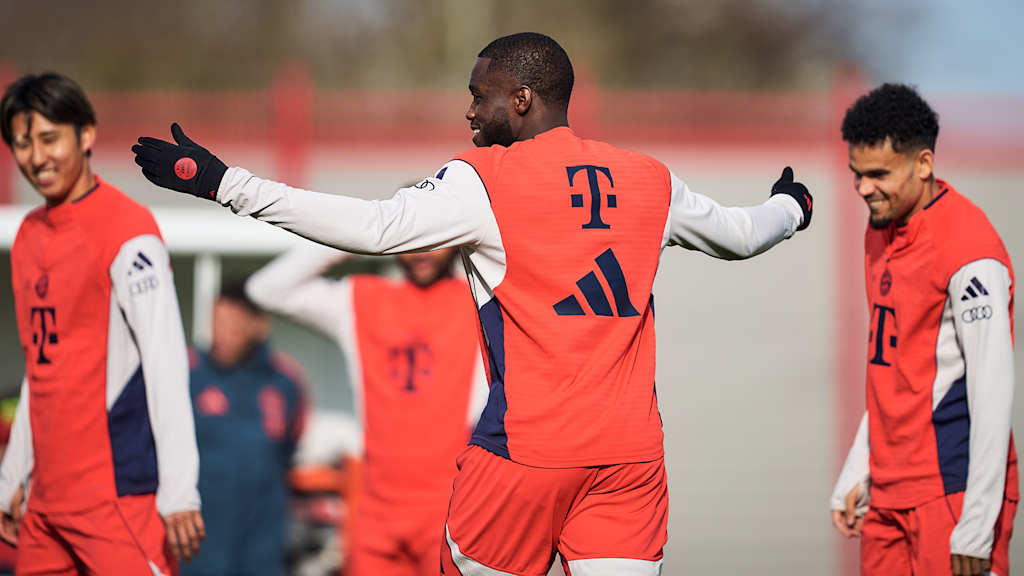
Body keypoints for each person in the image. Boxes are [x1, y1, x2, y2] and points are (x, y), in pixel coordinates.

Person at [132, 32, 813, 575]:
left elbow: (374, 227)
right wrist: (792, 207)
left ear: (521, 98)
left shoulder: (484, 177)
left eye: (478, 96)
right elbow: (743, 235)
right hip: (629, 463)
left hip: (523, 456)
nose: (469, 112)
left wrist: (225, 183)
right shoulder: (650, 178)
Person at [0, 72, 203, 575]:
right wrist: (12, 476)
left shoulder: (128, 231)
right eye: (22, 143)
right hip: (44, 507)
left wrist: (180, 490)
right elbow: (40, 371)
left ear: (86, 134)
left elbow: (165, 363)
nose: (37, 157)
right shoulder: (27, 236)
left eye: (50, 138)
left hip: (117, 501)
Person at [829, 83, 1017, 576]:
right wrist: (859, 466)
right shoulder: (879, 231)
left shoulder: (970, 250)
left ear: (924, 164)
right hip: (888, 493)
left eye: (878, 174)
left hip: (951, 491)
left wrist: (977, 521)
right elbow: (893, 369)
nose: (863, 188)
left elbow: (993, 389)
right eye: (856, 174)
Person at [245, 243, 485, 576]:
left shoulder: (480, 300)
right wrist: (359, 237)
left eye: (432, 240)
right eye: (411, 241)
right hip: (376, 513)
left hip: (452, 509)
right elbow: (266, 289)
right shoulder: (362, 300)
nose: (420, 252)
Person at [184, 281, 307, 576]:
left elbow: (291, 442)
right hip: (199, 545)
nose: (221, 336)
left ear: (258, 326)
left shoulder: (286, 381)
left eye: (232, 327)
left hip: (262, 543)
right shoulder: (188, 372)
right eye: (217, 324)